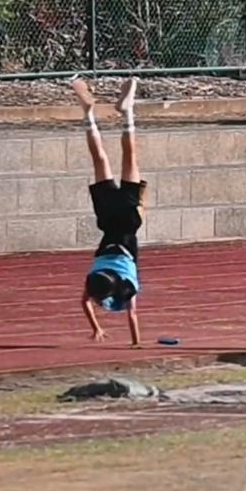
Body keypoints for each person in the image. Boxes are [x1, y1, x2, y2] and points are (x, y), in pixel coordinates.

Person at [71, 76, 143, 347]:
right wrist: (95, 327)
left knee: (130, 160)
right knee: (99, 160)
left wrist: (136, 344)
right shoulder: (92, 280)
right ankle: (88, 114)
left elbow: (133, 314)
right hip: (106, 217)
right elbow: (85, 303)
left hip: (128, 222)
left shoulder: (125, 285)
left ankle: (128, 113)